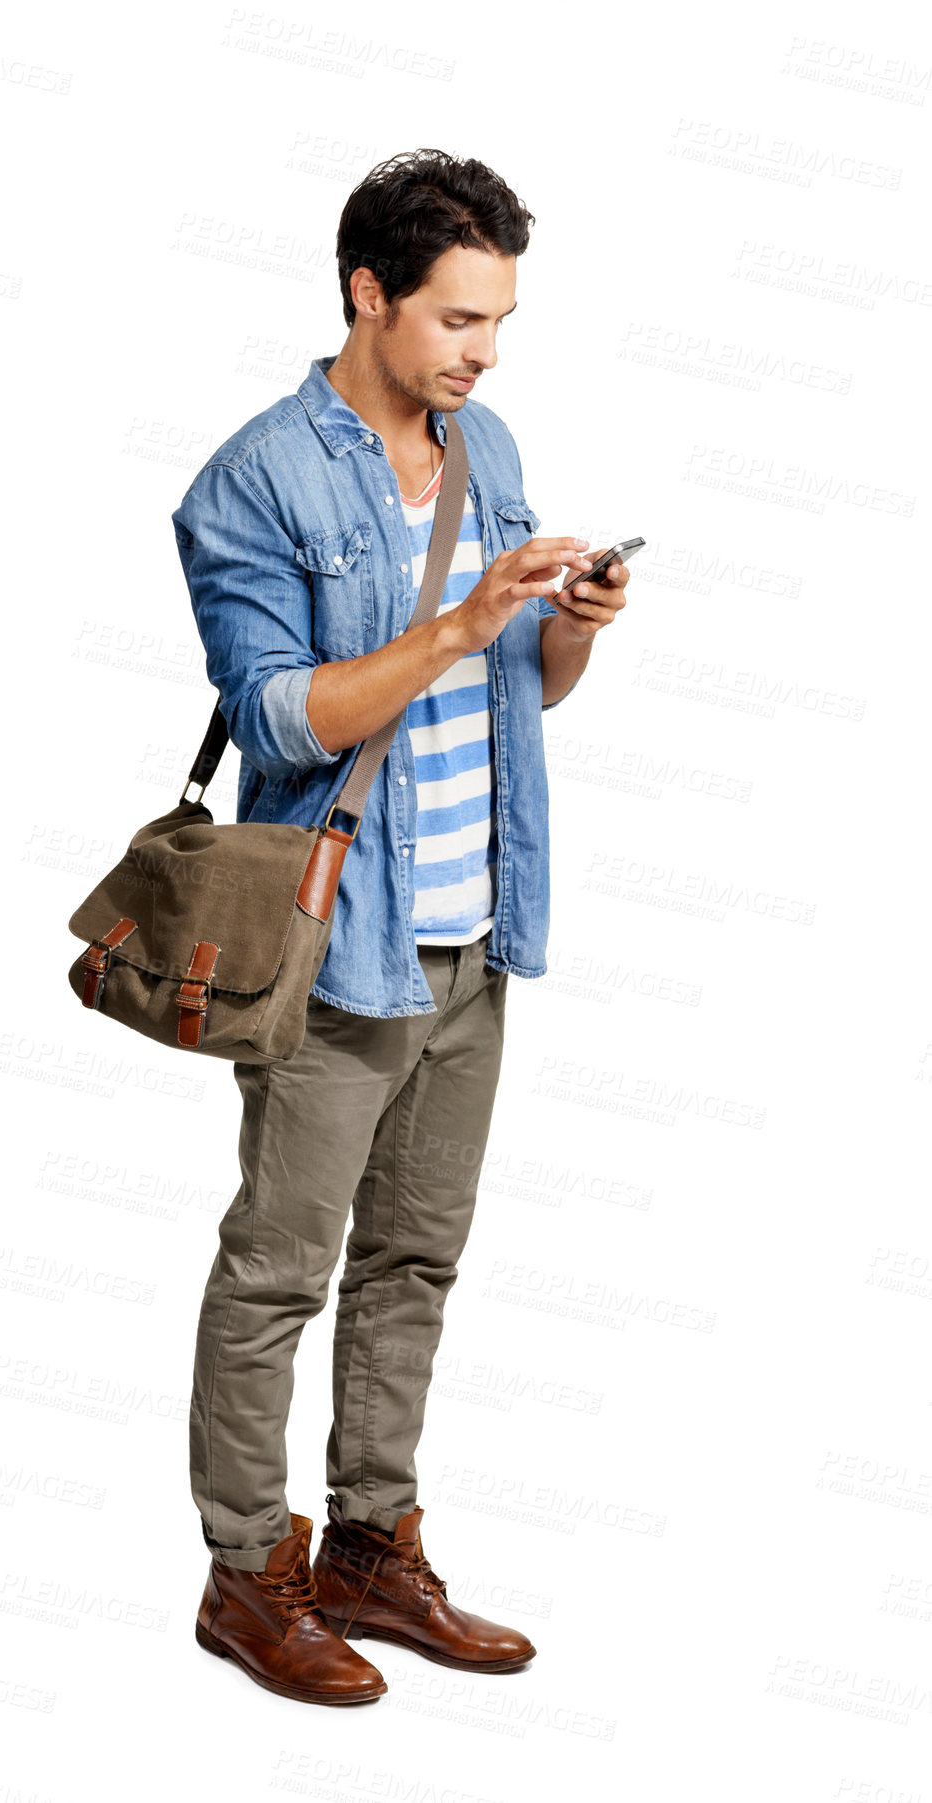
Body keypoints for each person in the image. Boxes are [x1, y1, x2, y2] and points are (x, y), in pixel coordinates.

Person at [171, 148, 631, 1706]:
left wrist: (559, 633)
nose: (480, 353)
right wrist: (453, 621)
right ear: (366, 294)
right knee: (279, 1272)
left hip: (474, 930)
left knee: (415, 1262)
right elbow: (278, 717)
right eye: (453, 318)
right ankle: (250, 1576)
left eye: (495, 322)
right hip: (333, 941)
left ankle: (372, 1546)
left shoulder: (483, 443)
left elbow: (519, 700)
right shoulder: (255, 480)